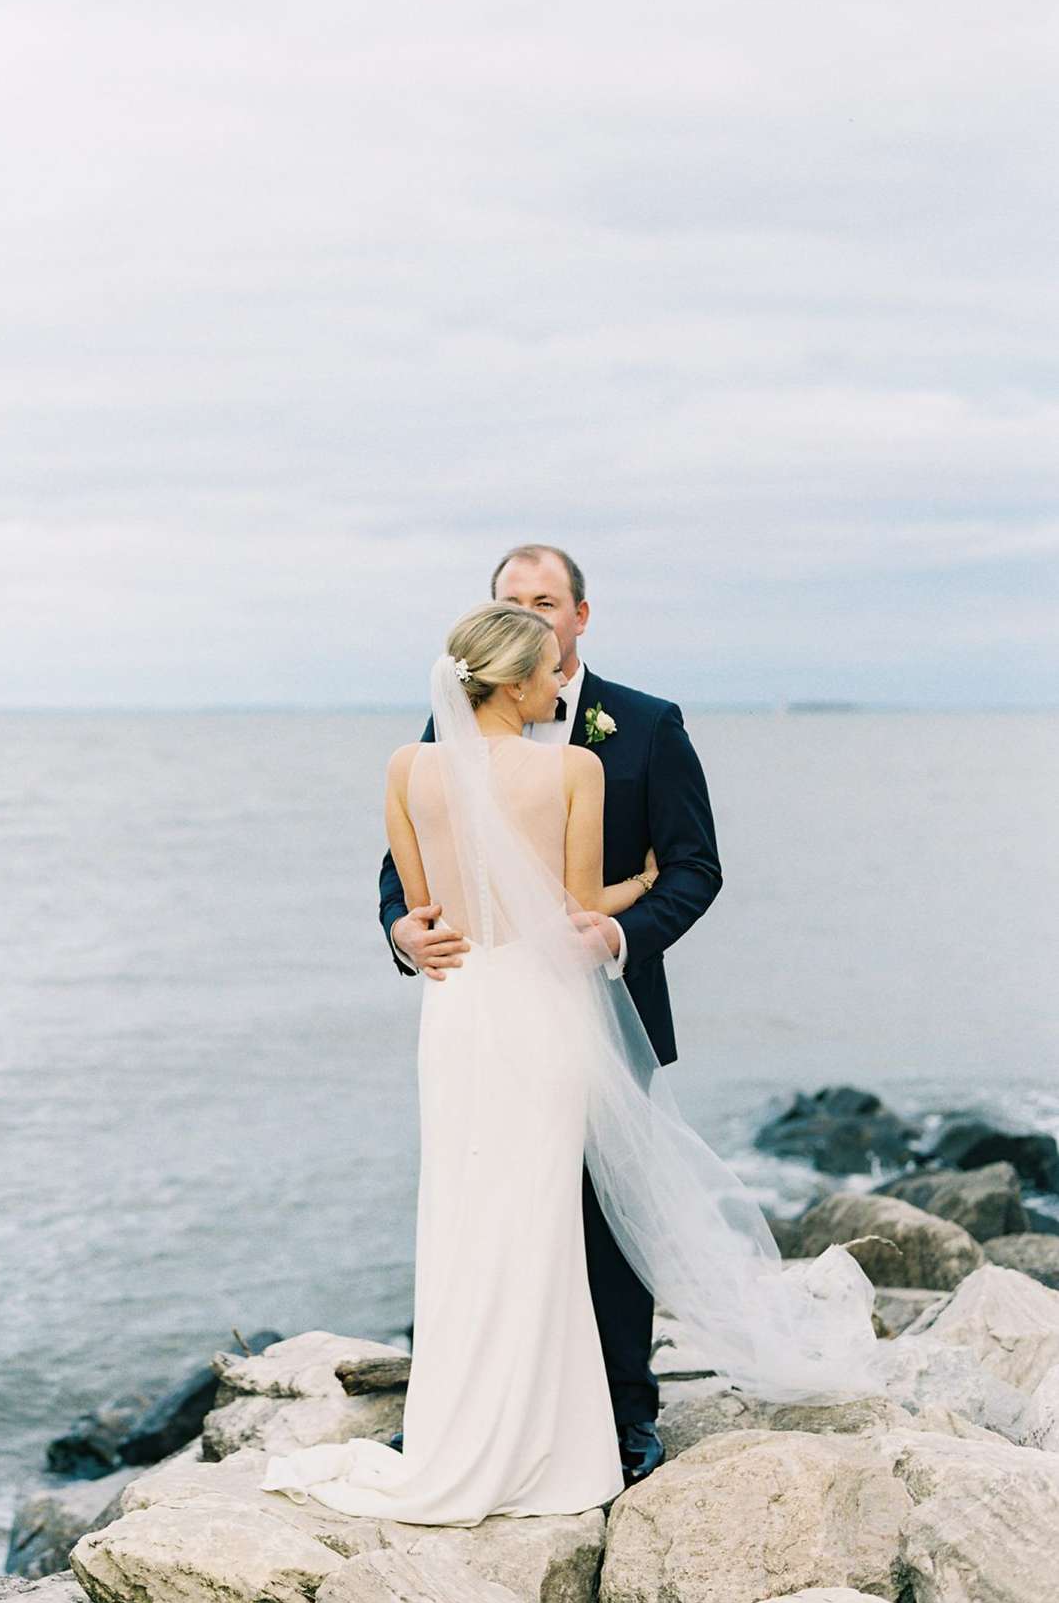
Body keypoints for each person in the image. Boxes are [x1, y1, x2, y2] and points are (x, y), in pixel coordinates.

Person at [259, 603, 882, 1528]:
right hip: (541, 1011)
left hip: (458, 1008)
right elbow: (575, 912)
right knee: (541, 1220)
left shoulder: (407, 767)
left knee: (465, 1213)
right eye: (550, 670)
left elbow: (422, 908)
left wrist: (420, 928)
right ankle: (547, 1438)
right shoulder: (574, 767)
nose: (563, 681)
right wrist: (638, 884)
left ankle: (456, 1429)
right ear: (514, 682)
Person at [379, 544, 722, 1485]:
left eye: (546, 600)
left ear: (580, 615)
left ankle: (622, 1411)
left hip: (604, 1003)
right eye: (511, 602)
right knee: (484, 1187)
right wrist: (405, 932)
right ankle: (464, 1405)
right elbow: (405, 879)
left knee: (607, 1214)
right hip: (496, 992)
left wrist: (618, 934)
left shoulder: (648, 726)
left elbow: (696, 869)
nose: (532, 615)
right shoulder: (446, 736)